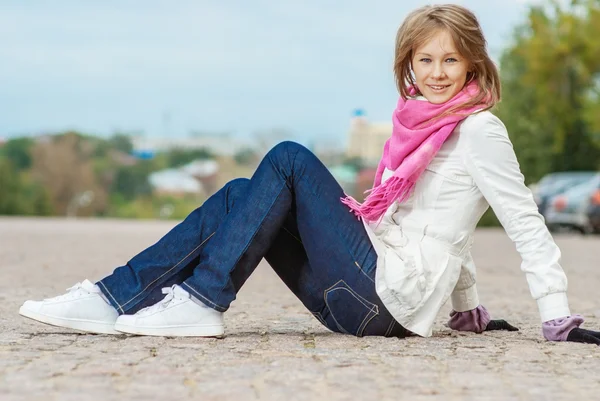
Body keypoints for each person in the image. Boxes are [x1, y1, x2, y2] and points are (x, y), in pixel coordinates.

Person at [19, 4, 600, 344]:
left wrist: (554, 315)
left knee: (290, 158)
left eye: (451, 59)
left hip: (383, 302)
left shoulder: (479, 130)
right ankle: (112, 296)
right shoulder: (418, 127)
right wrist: (465, 307)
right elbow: (446, 225)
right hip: (363, 292)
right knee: (242, 193)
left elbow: (522, 219)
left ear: (473, 62)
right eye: (426, 59)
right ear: (409, 66)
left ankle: (202, 300)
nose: (438, 73)